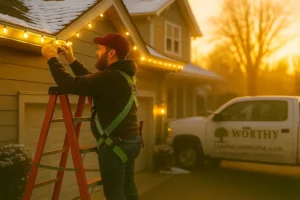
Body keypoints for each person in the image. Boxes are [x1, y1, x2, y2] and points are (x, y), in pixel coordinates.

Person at [41, 33, 141, 200]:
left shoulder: (110, 77)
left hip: (116, 146)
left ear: (111, 53)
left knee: (115, 194)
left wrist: (52, 57)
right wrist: (72, 60)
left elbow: (69, 84)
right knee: (128, 187)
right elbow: (94, 82)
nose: (96, 52)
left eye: (100, 49)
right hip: (131, 141)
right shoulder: (125, 76)